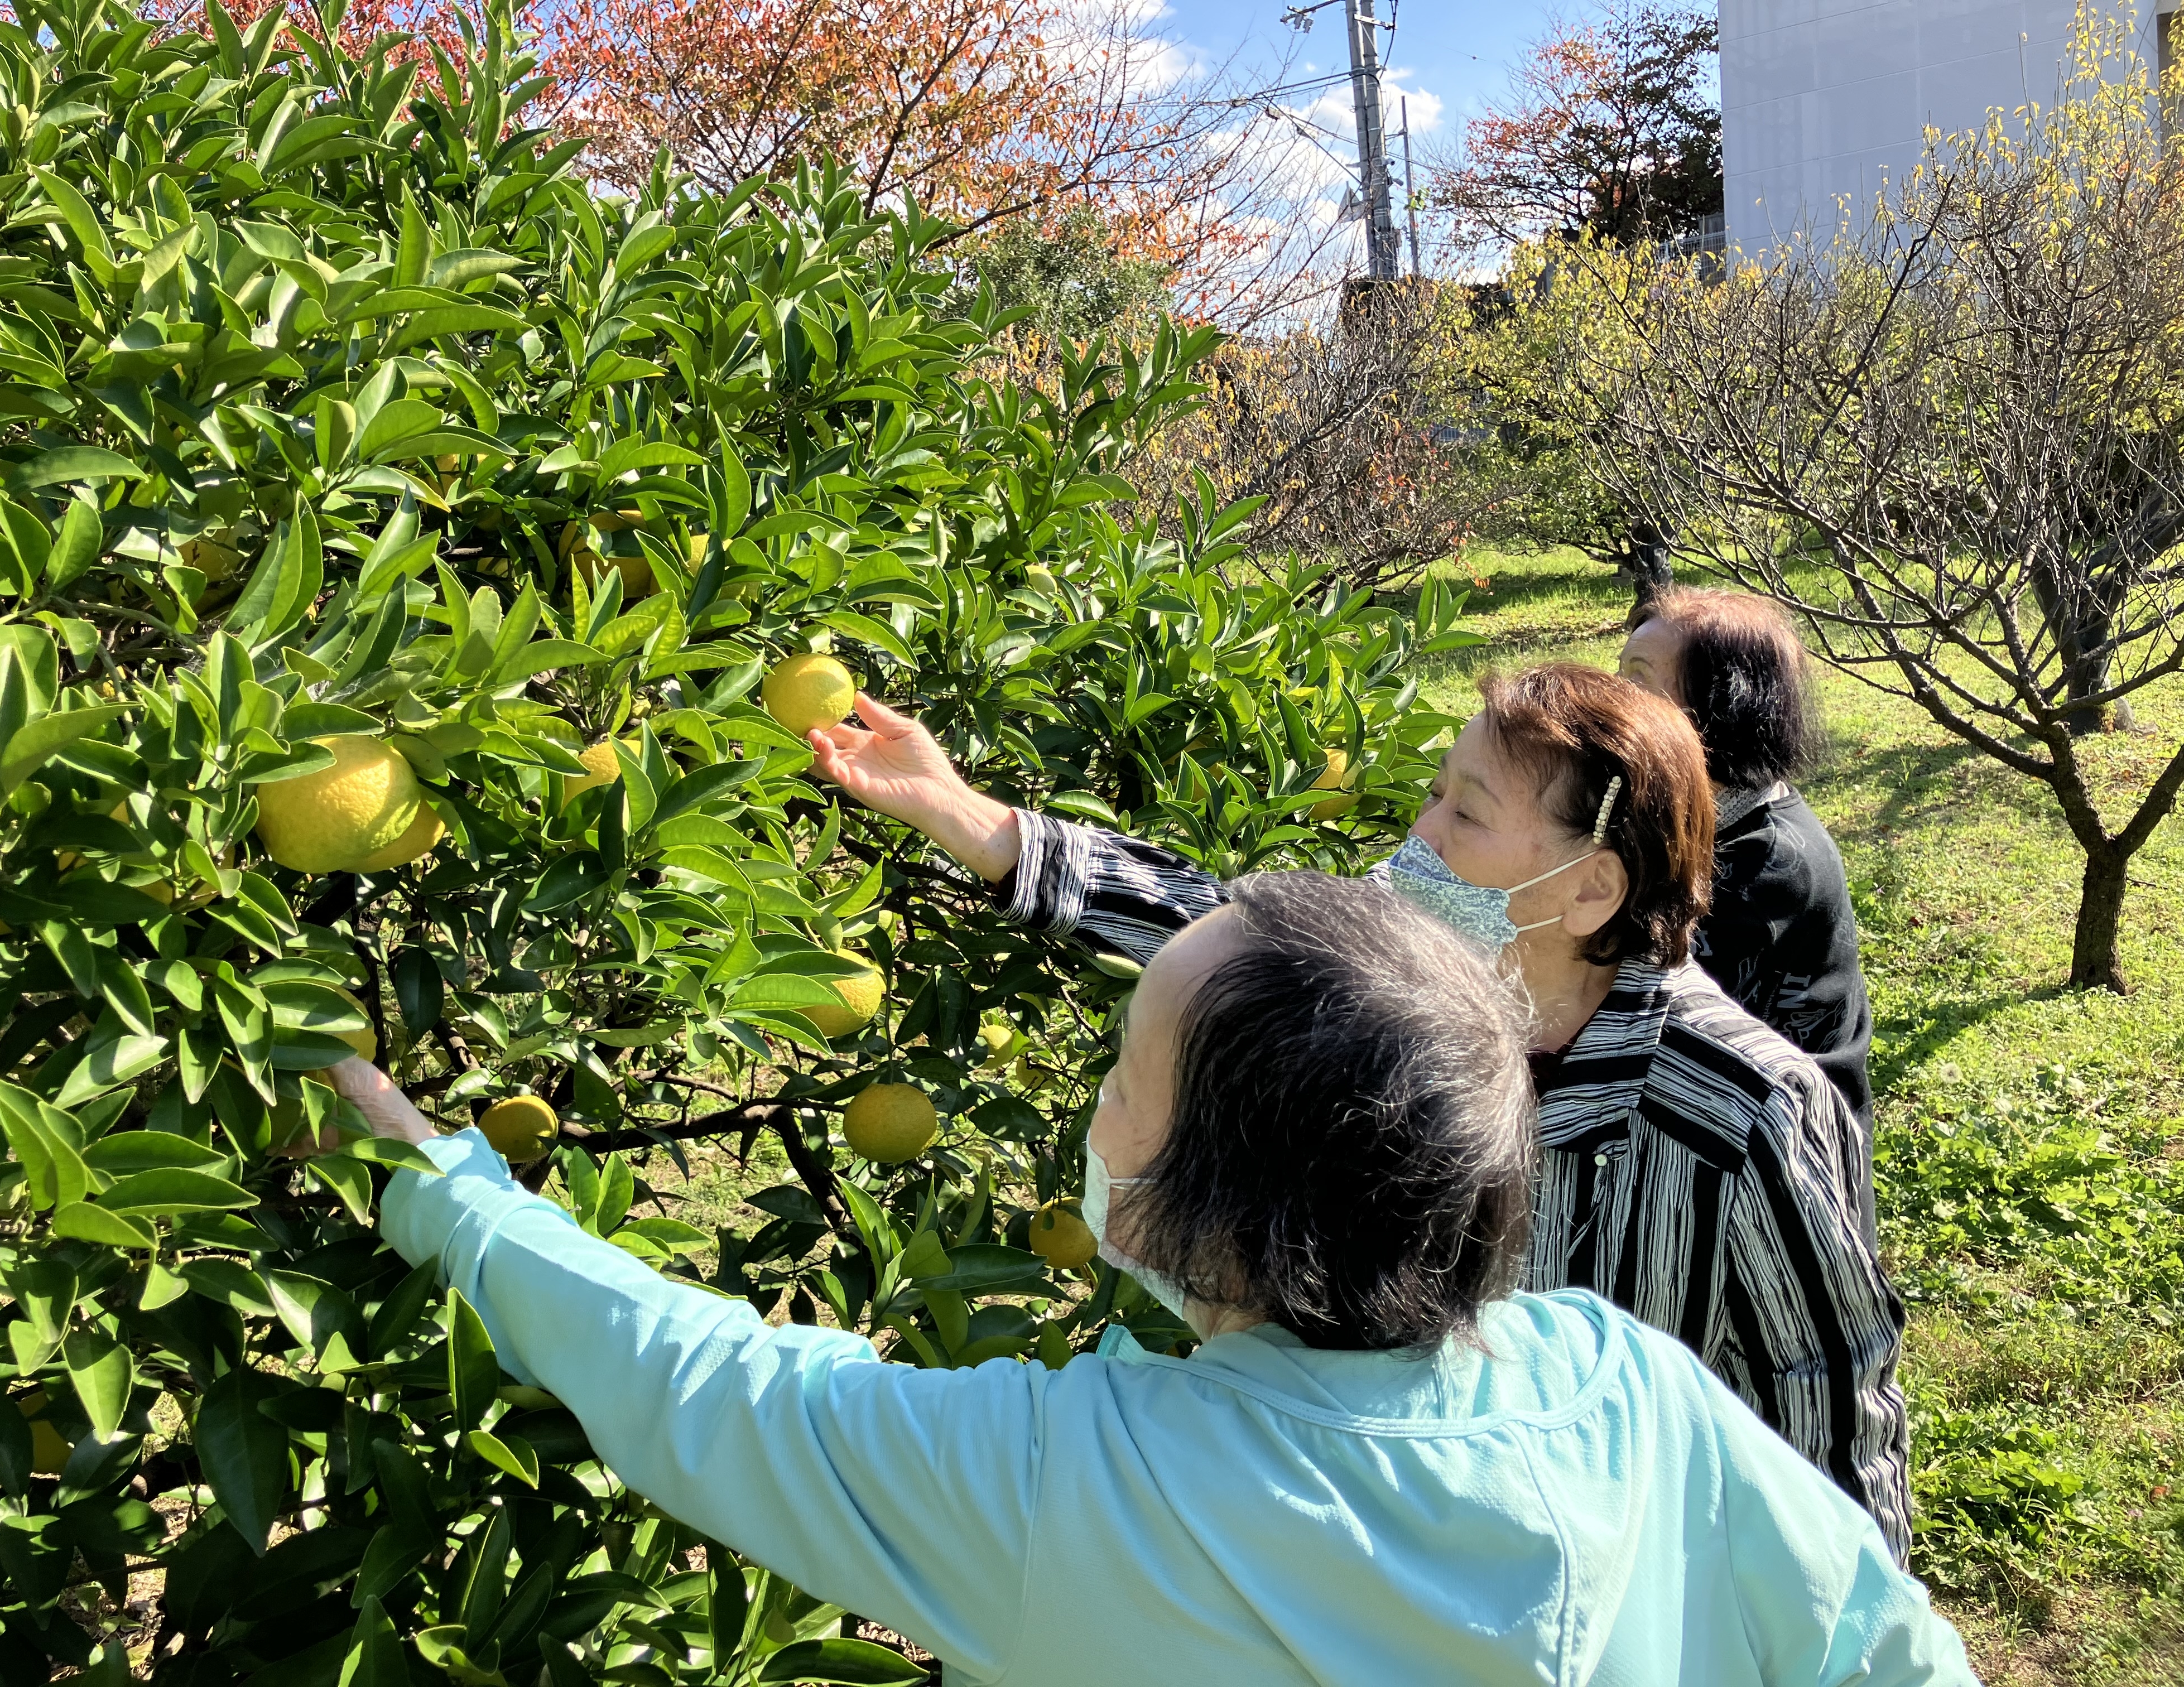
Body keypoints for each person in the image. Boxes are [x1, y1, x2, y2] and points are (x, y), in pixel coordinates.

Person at [340, 875, 1975, 1686]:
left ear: (1211, 1196)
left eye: (1126, 1077)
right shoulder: (1613, 1382)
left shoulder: (1073, 1484)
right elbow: (1882, 1646)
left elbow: (713, 1388)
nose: (1092, 1110)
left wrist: (449, 1188)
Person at [810, 663, 1914, 1562]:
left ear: (1589, 891)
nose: (1419, 835)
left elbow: (1830, 1412)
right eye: (1436, 792)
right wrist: (970, 817)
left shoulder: (1740, 1114)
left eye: (1466, 813)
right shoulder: (1410, 988)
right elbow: (1218, 940)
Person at [1618, 589, 1875, 1221]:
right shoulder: (1683, 810)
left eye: (1640, 684)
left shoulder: (1771, 864)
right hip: (1708, 1126)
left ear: (1718, 713)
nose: (1613, 701)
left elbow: (1633, 1000)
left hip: (1781, 1173)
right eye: (1619, 673)